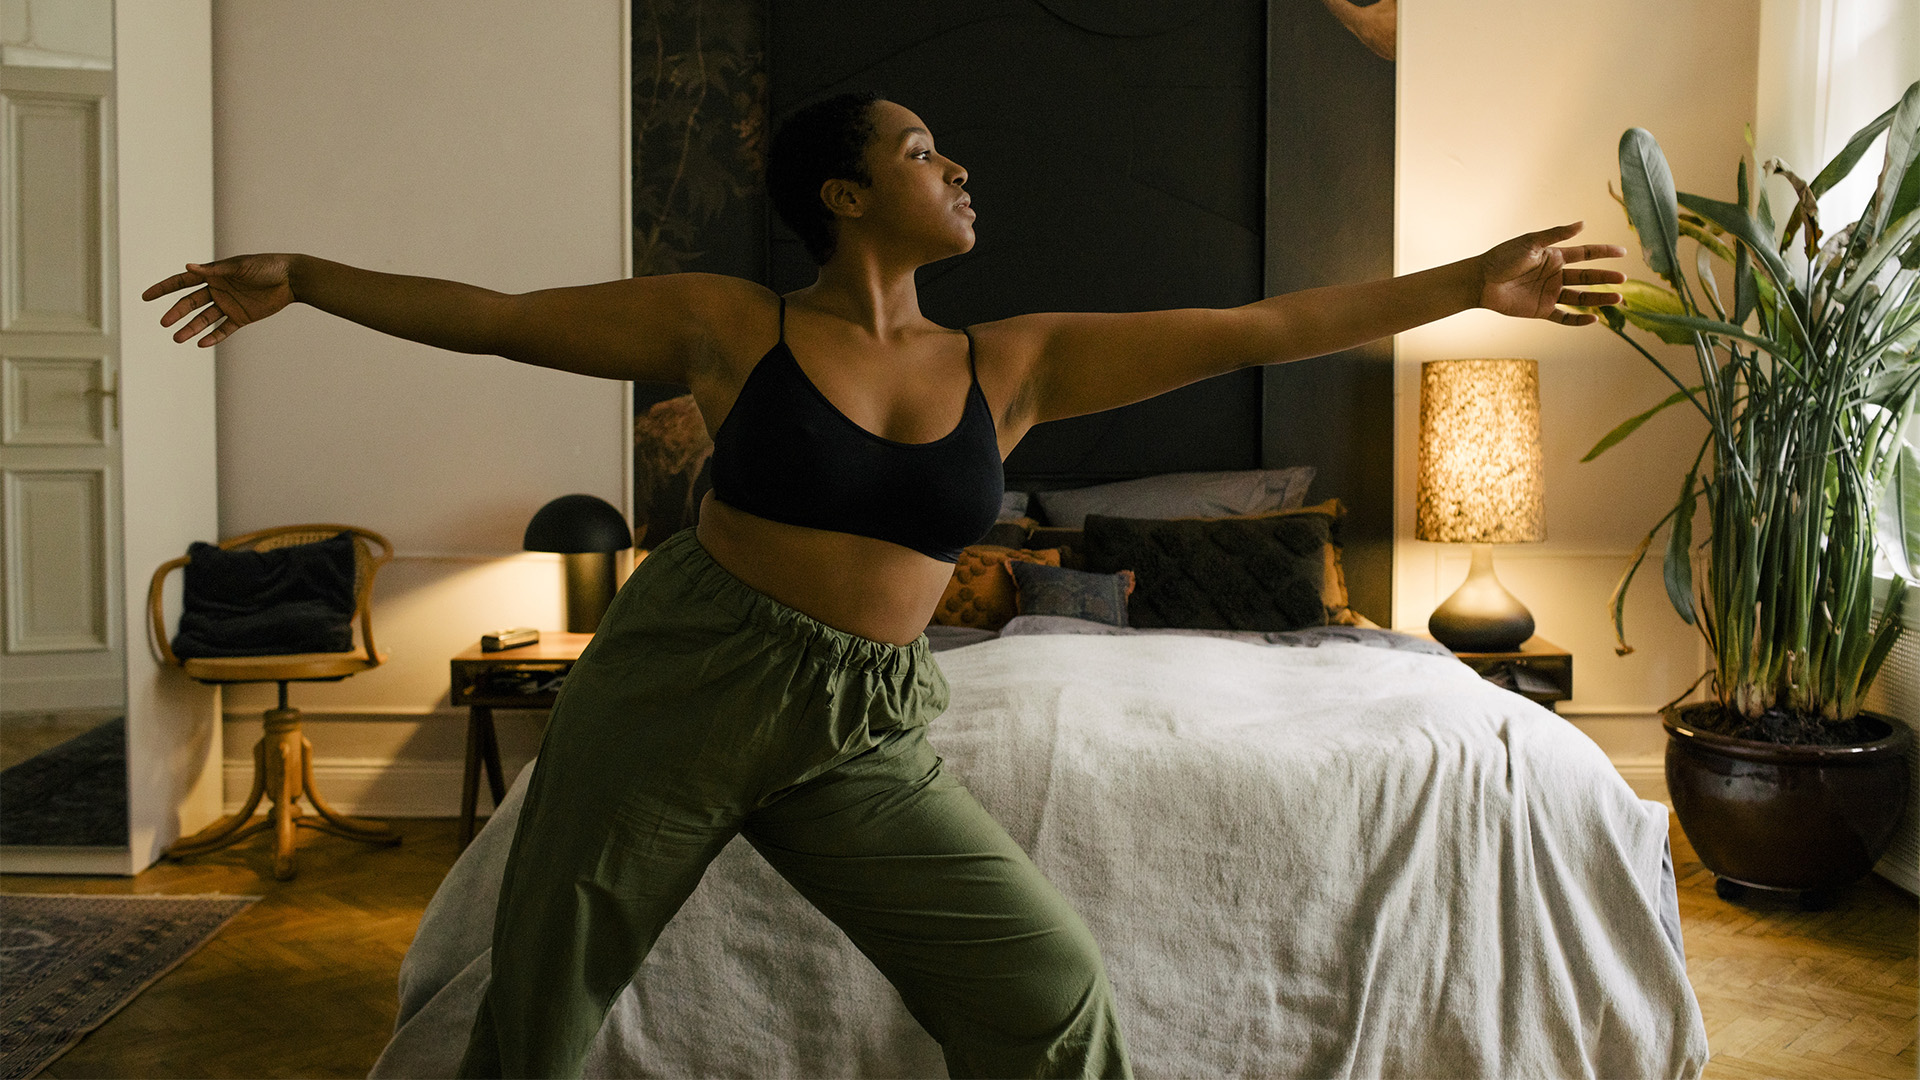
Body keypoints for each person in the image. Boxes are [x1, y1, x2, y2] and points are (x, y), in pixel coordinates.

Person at [146, 91, 1625, 1079]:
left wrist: (1463, 284)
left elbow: (1266, 321)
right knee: (534, 1029)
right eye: (926, 152)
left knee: (1047, 1000)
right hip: (680, 686)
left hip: (860, 722)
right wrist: (316, 276)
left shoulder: (1013, 361)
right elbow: (502, 320)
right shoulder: (732, 325)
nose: (960, 169)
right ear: (847, 193)